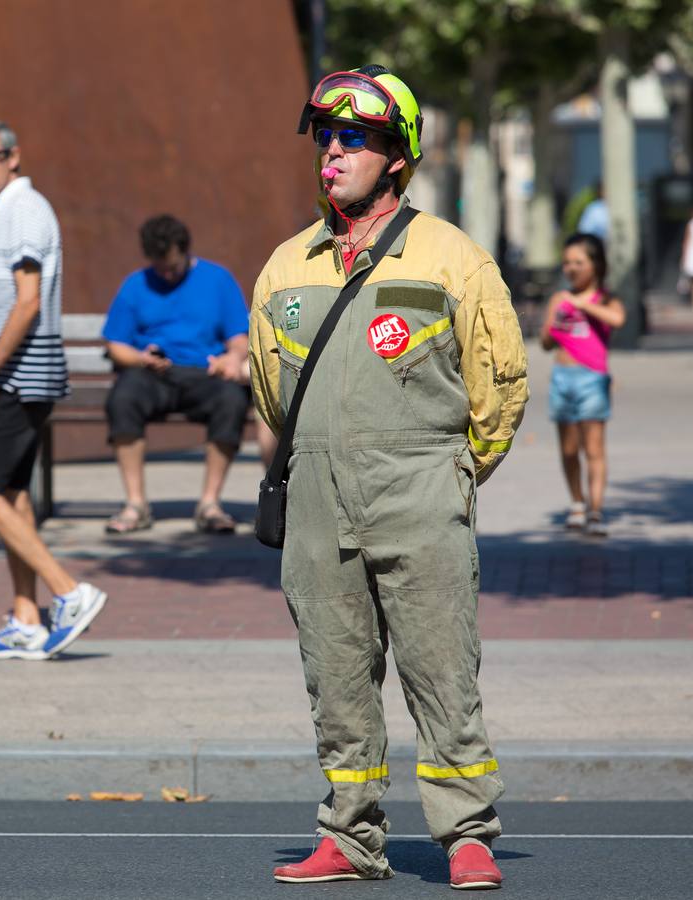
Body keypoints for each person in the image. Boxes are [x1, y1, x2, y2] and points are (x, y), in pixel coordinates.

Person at [249, 65, 527, 890]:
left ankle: (466, 834)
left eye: (355, 139)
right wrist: (322, 459)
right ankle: (349, 836)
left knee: (441, 671)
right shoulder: (284, 266)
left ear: (396, 156)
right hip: (316, 496)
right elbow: (270, 390)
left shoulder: (450, 256)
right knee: (334, 673)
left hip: (420, 490)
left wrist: (449, 472)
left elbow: (499, 380)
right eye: (326, 137)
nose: (333, 151)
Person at [0, 117, 107, 660]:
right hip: (22, 374)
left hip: (21, 375)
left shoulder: (22, 209)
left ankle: (69, 593)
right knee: (14, 499)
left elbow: (27, 302)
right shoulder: (7, 210)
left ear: (14, 157)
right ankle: (25, 617)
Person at [101, 215, 252, 534]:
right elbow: (116, 345)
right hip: (153, 374)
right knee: (122, 398)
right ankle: (136, 504)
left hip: (203, 374)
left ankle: (209, 504)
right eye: (160, 268)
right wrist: (141, 358)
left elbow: (239, 337)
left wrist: (232, 357)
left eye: (172, 266)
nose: (166, 274)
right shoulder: (135, 285)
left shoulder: (217, 279)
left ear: (185, 251)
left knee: (233, 399)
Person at [539, 234, 626, 537]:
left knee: (594, 448)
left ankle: (596, 510)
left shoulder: (604, 299)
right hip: (562, 378)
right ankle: (577, 503)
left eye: (579, 262)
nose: (571, 268)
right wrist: (555, 326)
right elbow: (546, 342)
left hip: (593, 379)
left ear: (596, 265)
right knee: (568, 448)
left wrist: (582, 305)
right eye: (566, 263)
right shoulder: (558, 300)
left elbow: (617, 320)